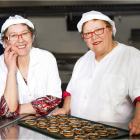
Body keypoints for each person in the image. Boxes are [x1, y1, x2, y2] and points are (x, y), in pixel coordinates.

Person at [52, 10, 140, 135]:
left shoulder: (132, 56)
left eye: (99, 30)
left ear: (110, 29)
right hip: (78, 132)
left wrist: (138, 119)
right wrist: (66, 108)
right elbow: (71, 92)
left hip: (114, 134)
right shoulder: (82, 61)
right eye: (88, 33)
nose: (94, 36)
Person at [0, 15, 62, 118]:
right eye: (13, 36)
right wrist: (11, 70)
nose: (20, 40)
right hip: (13, 127)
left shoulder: (46, 58)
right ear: (5, 42)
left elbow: (54, 99)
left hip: (48, 125)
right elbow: (7, 111)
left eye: (25, 34)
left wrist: (16, 109)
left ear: (32, 37)